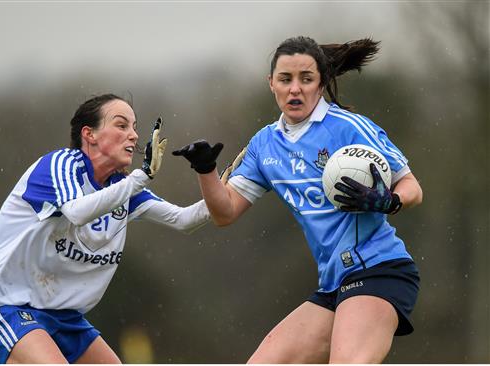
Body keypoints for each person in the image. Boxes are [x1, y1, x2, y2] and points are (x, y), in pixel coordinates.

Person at [173, 36, 423, 363]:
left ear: (321, 84)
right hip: (334, 283)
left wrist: (388, 200)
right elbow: (225, 213)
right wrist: (206, 170)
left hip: (379, 270)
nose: (295, 89)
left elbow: (411, 187)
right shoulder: (265, 145)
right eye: (285, 79)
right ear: (271, 84)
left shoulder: (349, 128)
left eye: (306, 79)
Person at [0, 93, 212, 364]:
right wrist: (142, 178)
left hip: (64, 317)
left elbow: (185, 219)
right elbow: (76, 211)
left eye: (134, 127)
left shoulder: (121, 186)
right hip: (4, 306)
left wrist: (214, 174)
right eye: (121, 125)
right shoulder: (61, 165)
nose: (133, 135)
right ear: (89, 134)